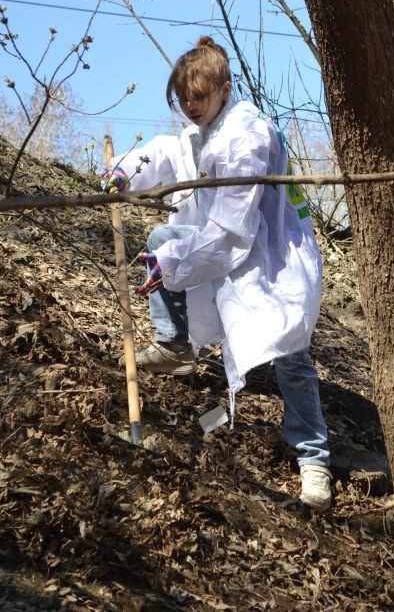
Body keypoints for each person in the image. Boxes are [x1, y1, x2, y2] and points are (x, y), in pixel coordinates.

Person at [104, 36, 332, 511]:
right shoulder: (207, 130)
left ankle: (313, 459)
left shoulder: (245, 138)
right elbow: (167, 153)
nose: (190, 107)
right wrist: (125, 171)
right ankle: (175, 345)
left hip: (272, 260)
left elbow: (232, 231)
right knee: (160, 241)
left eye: (199, 97)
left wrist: (171, 264)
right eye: (183, 99)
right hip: (225, 252)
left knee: (290, 354)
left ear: (225, 88)